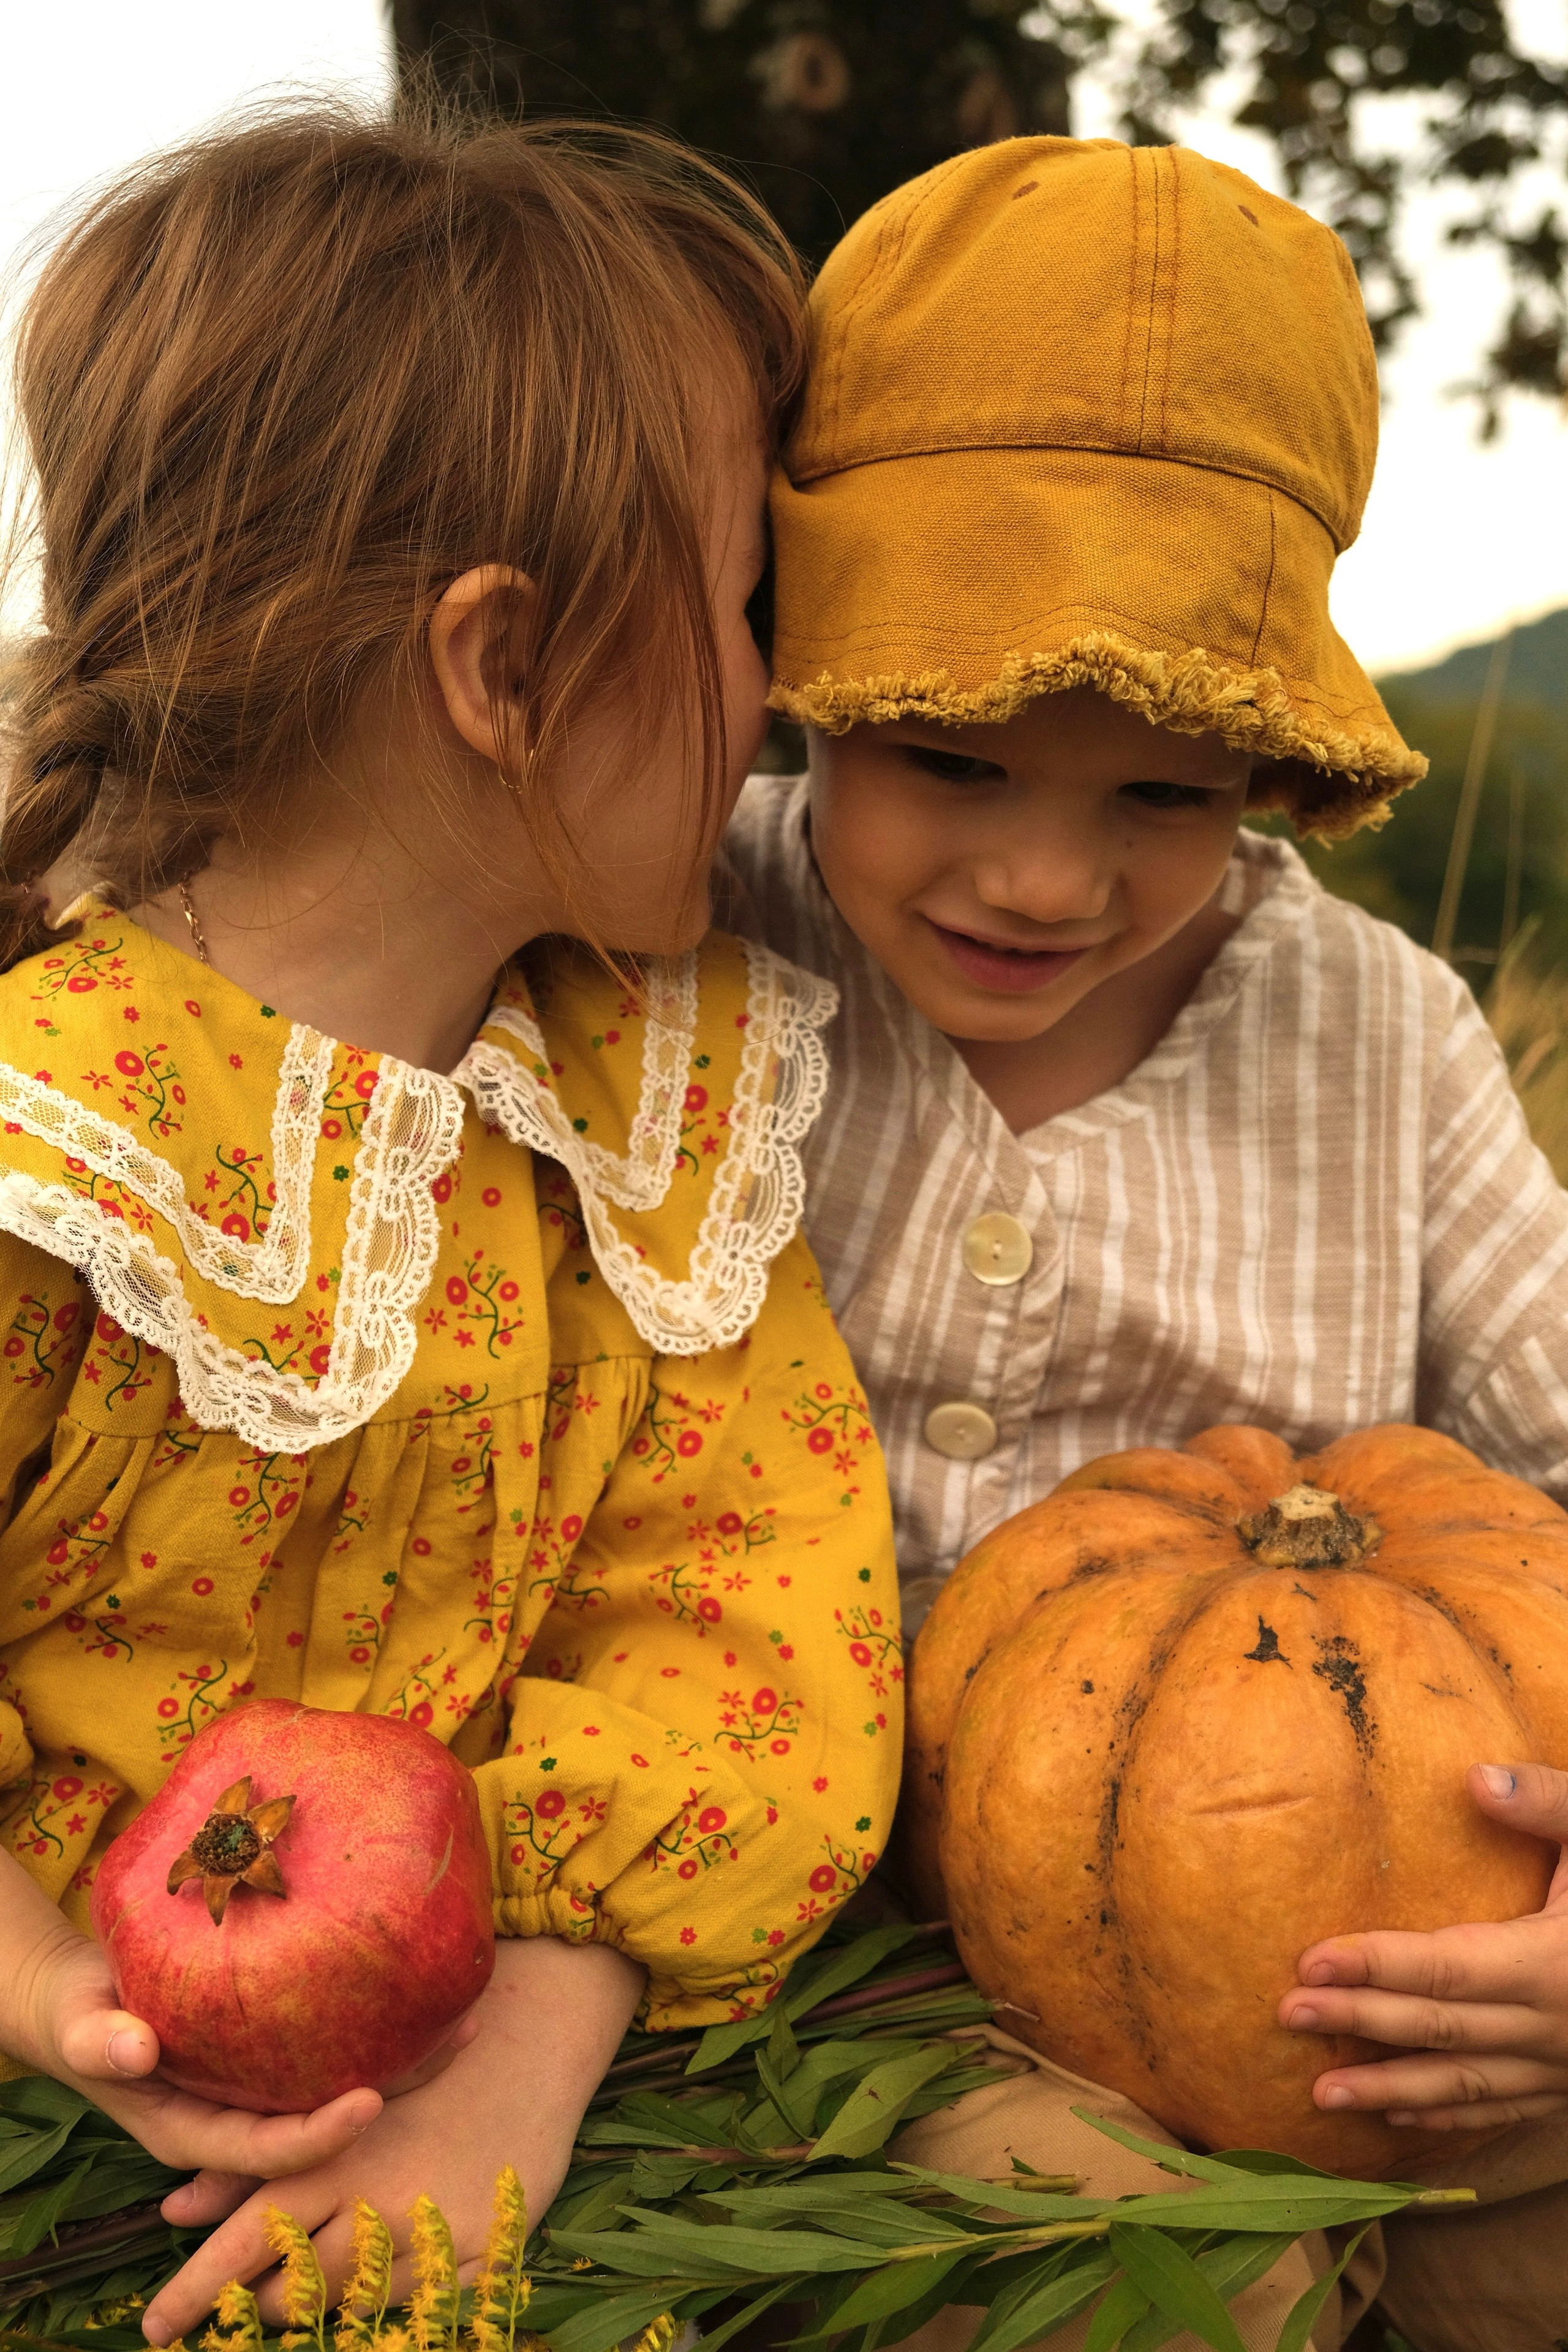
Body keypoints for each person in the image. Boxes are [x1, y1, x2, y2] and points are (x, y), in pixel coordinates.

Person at [0, 103, 900, 2345]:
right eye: (740, 599)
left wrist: (537, 2028)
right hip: (94, 2119)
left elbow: (751, 1624)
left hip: (568, 2070)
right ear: (498, 670)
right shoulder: (56, 1150)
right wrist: (43, 2000)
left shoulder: (649, 1122)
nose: (779, 686)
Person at [722, 137, 1568, 2350]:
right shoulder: (691, 939)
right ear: (809, 679)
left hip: (1321, 1942)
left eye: (1166, 795)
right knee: (1182, 2287)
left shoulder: (1373, 1030)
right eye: (955, 758)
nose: (1047, 880)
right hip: (839, 1954)